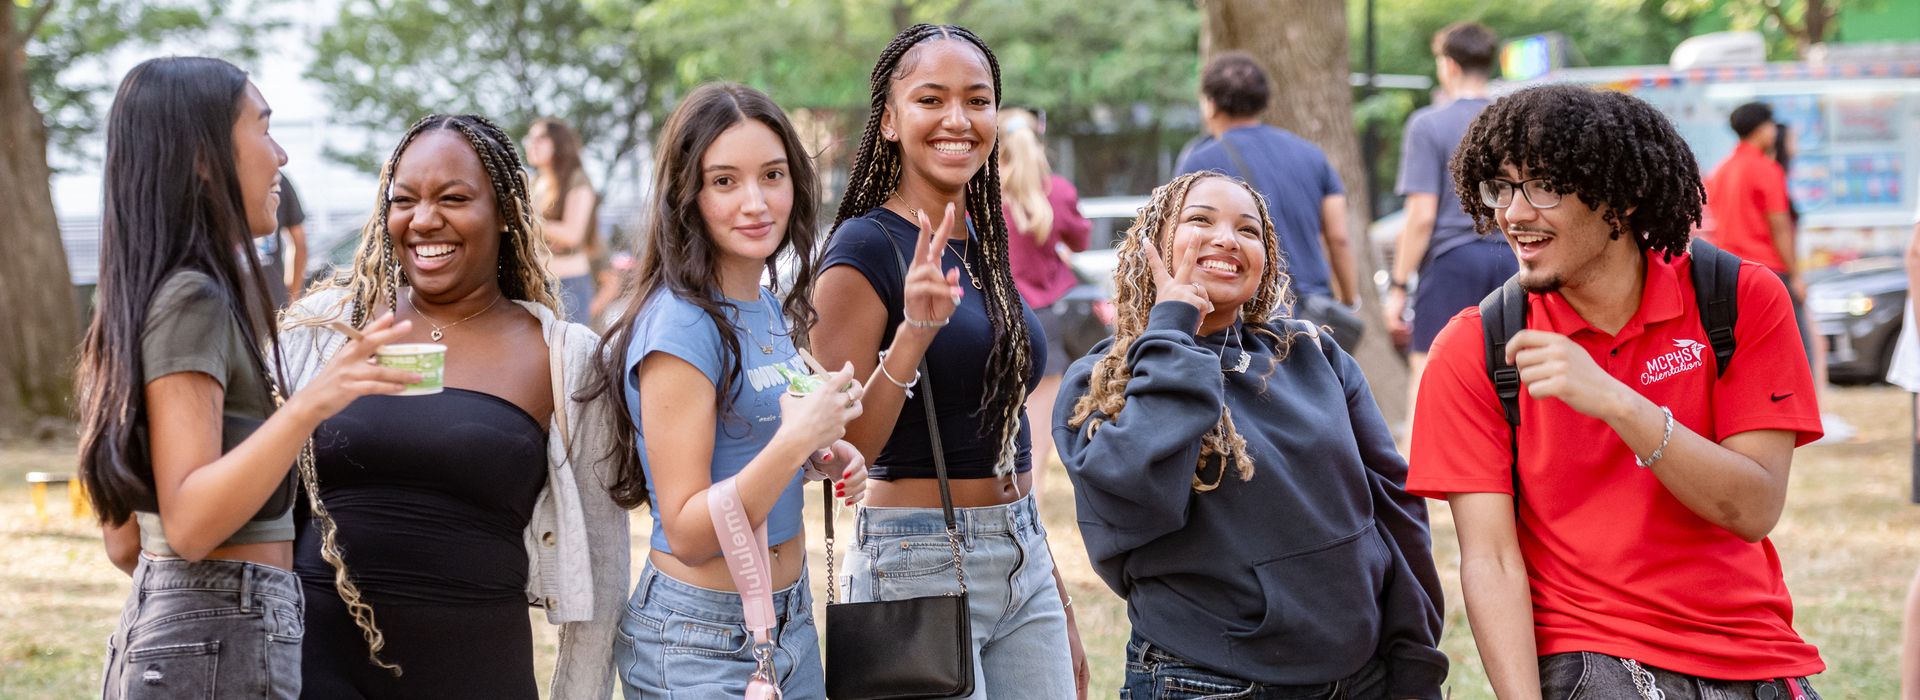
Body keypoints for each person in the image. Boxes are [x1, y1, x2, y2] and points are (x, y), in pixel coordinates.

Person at [1408, 84, 1826, 698]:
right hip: (1590, 654)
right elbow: (1491, 562)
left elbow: (1755, 509)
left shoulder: (1739, 298)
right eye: (1502, 186)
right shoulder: (1475, 347)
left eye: (1543, 186)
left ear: (1622, 199)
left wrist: (1618, 402)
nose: (1513, 214)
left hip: (1750, 648)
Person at [76, 56, 418, 699]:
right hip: (220, 633)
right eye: (263, 128)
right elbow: (192, 522)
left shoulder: (153, 294)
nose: (282, 156)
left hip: (183, 625)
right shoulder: (192, 300)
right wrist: (310, 405)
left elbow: (127, 542)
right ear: (204, 158)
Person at [277, 114, 629, 698]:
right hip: (313, 668)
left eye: (454, 198)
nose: (423, 220)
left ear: (506, 213)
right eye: (404, 200)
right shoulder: (324, 331)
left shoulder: (564, 358)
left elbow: (603, 562)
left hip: (475, 671)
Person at [1058, 171, 1447, 699]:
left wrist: (1413, 653)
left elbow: (1396, 511)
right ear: (1153, 244)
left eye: (1248, 230)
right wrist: (1172, 330)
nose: (1226, 239)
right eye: (1200, 219)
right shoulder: (1102, 380)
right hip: (1208, 680)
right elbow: (1136, 499)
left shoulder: (1313, 354)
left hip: (1360, 677)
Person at [812, 23, 1086, 699]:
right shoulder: (864, 248)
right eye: (931, 100)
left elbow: (1006, 435)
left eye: (978, 100)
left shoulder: (982, 245)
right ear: (890, 122)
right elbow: (841, 447)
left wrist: (1053, 588)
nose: (958, 120)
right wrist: (912, 336)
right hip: (916, 559)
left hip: (1021, 552)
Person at [584, 82, 870, 699]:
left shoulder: (763, 304)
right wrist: (795, 443)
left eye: (772, 174)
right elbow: (687, 531)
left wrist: (823, 454)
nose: (755, 202)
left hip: (785, 624)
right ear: (687, 196)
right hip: (700, 642)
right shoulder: (683, 325)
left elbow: (756, 446)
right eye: (724, 181)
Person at [1175, 51, 1359, 347]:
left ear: (1209, 104)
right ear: (1263, 102)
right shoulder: (1312, 155)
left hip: (1238, 312)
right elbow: (1338, 237)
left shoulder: (1198, 161)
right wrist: (1349, 300)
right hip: (1311, 315)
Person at [1385, 21, 1514, 414]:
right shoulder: (1512, 120)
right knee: (1510, 378)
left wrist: (1398, 284)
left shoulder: (1427, 124)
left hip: (1451, 262)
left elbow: (1421, 216)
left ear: (1450, 66)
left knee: (1430, 377)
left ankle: (1419, 475)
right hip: (1513, 257)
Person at [999, 121, 1090, 483]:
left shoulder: (978, 193)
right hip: (1045, 322)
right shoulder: (1059, 192)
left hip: (995, 318)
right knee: (1035, 446)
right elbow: (1081, 239)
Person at [525, 117, 602, 324]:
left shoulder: (577, 179)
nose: (532, 144)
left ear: (559, 143)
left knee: (567, 354)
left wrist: (527, 218)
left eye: (541, 138)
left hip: (569, 285)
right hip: (536, 283)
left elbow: (572, 234)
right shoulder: (535, 182)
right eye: (530, 139)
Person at [257, 170, 309, 308]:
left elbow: (299, 242)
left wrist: (293, 294)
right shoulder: (277, 178)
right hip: (273, 301)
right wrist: (294, 295)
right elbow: (299, 242)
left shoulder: (278, 179)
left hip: (228, 301)